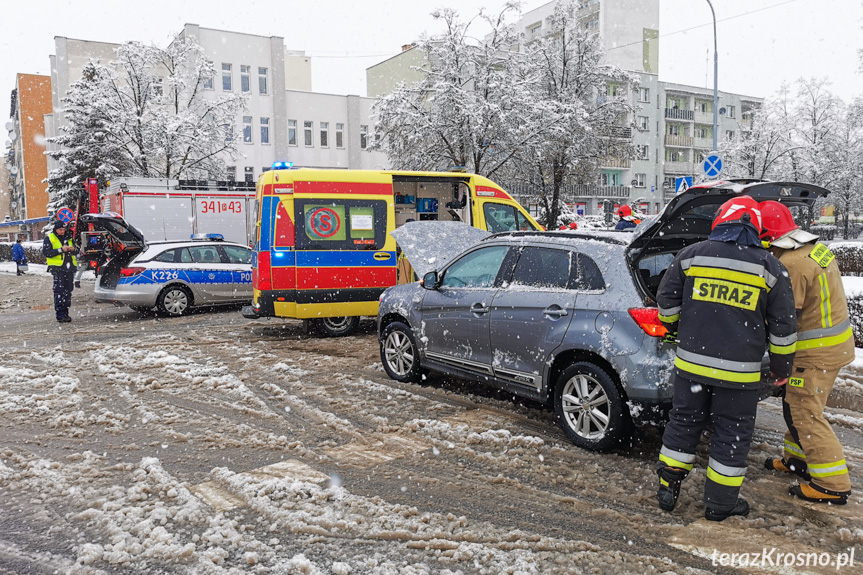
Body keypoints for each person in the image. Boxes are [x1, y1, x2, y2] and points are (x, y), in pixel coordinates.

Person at [655, 195, 797, 521]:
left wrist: (674, 326)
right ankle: (719, 505)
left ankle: (667, 486)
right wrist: (780, 368)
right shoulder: (771, 268)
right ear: (756, 228)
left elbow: (666, 300)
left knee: (684, 422)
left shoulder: (692, 255)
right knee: (731, 433)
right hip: (739, 374)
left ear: (721, 221)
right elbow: (784, 328)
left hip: (691, 367)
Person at [760, 201, 853, 505]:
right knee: (795, 406)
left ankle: (831, 484)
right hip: (833, 345)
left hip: (814, 354)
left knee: (805, 412)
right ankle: (798, 461)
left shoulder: (791, 265)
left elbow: (784, 316)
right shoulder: (814, 249)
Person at [42, 220, 78, 323]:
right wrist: (60, 250)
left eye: (63, 229)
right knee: (59, 291)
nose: (62, 231)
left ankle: (66, 313)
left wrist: (72, 249)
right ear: (55, 229)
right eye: (60, 229)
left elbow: (77, 251)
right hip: (58, 269)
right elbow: (46, 252)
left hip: (69, 268)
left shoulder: (69, 238)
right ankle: (60, 314)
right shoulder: (50, 238)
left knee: (68, 291)